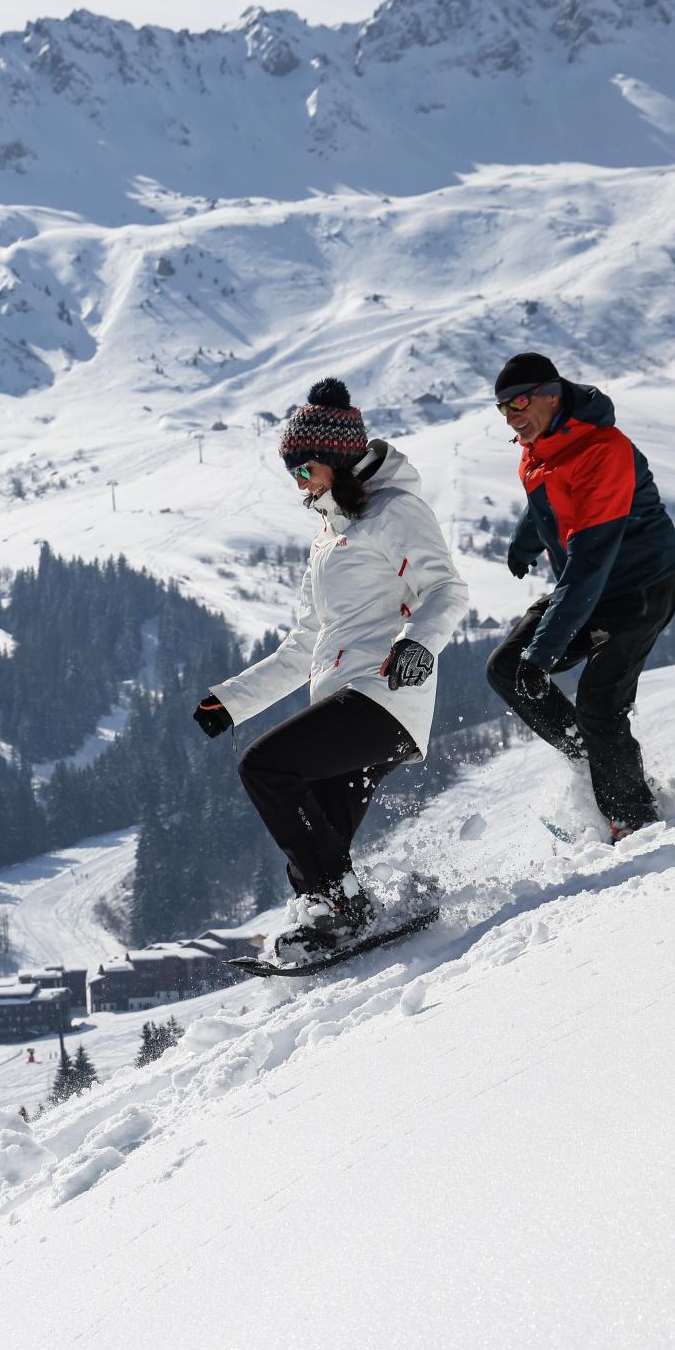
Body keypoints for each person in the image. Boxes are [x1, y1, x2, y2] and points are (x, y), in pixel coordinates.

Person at [194, 379, 470, 959]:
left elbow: (445, 588)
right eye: (293, 473)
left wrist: (419, 644)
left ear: (340, 458)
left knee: (266, 767)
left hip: (386, 693)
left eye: (305, 469)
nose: (299, 483)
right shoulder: (328, 539)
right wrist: (234, 700)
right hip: (344, 702)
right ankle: (336, 918)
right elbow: (304, 644)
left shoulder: (396, 510)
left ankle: (342, 906)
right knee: (319, 835)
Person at [486, 353, 675, 838]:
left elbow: (592, 560)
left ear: (552, 394)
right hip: (593, 587)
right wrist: (525, 541)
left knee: (599, 704)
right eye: (501, 409)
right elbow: (551, 495)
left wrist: (544, 654)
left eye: (518, 403)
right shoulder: (541, 440)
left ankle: (634, 823)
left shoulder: (603, 449)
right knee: (505, 669)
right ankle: (598, 763)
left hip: (639, 590)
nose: (512, 418)